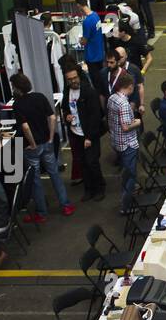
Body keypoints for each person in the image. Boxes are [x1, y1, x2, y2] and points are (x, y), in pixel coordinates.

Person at [11, 72, 72, 223]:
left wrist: (32, 144)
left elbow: (25, 127)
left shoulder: (17, 105)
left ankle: (42, 212)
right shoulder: (39, 97)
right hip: (47, 142)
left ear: (18, 88)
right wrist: (51, 137)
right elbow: (52, 117)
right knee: (54, 174)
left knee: (36, 180)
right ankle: (66, 205)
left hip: (33, 147)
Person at [58, 63, 105, 203]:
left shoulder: (89, 92)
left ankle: (100, 188)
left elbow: (95, 116)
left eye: (75, 77)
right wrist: (67, 116)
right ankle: (88, 190)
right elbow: (65, 108)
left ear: (79, 76)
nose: (73, 81)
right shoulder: (67, 91)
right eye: (70, 79)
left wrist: (89, 137)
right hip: (75, 134)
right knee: (82, 163)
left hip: (89, 135)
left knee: (92, 162)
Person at [107, 72, 142, 214]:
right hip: (128, 144)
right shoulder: (123, 103)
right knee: (131, 177)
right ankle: (126, 206)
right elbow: (126, 126)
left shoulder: (112, 98)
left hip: (117, 141)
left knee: (126, 173)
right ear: (129, 86)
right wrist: (138, 122)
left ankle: (126, 200)